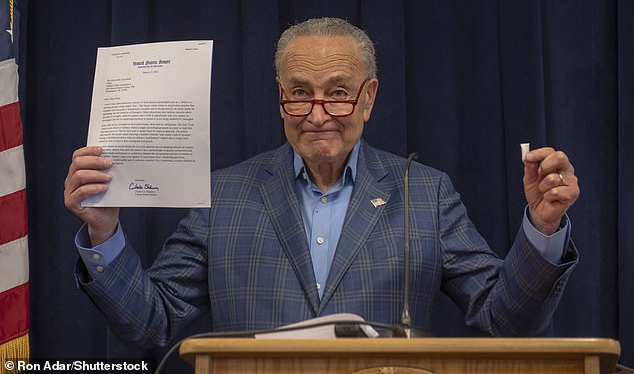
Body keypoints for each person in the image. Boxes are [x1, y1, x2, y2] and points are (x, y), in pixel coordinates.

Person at [64, 17, 579, 348]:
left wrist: (543, 226)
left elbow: (503, 318)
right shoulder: (224, 197)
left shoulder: (425, 193)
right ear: (279, 96)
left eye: (338, 93)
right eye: (299, 92)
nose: (318, 114)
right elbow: (151, 323)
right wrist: (105, 234)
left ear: (370, 98)